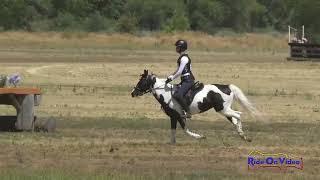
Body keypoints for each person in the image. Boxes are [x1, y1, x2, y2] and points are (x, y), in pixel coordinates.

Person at [166, 40, 195, 118]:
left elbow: (179, 72)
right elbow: (178, 70)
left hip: (188, 81)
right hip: (185, 80)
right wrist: (171, 75)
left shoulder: (184, 58)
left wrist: (172, 77)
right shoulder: (182, 58)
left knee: (178, 95)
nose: (176, 48)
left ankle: (188, 112)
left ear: (181, 48)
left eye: (177, 47)